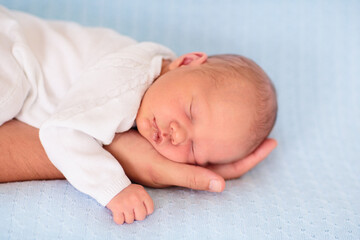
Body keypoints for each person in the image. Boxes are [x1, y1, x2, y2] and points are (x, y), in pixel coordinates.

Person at [0, 6, 277, 224]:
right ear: (187, 62)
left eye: (194, 149)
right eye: (190, 112)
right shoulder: (128, 82)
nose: (177, 135)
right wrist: (114, 187)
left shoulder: (154, 77)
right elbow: (62, 134)